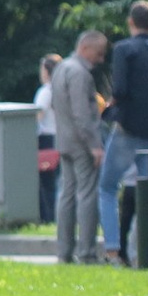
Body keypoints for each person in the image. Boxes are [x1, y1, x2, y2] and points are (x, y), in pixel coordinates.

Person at [100, 0, 148, 264]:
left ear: (130, 22)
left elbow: (119, 90)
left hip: (128, 130)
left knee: (107, 187)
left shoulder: (124, 50)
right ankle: (144, 249)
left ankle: (113, 250)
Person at [50, 29, 108, 266]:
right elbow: (82, 115)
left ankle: (64, 251)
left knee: (66, 195)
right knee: (87, 195)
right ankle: (86, 253)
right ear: (85, 48)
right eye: (99, 53)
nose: (101, 59)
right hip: (82, 143)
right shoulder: (80, 74)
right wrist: (95, 145)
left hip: (64, 140)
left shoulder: (61, 68)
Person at [33, 53, 60, 224]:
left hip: (45, 139)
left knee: (46, 183)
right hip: (61, 138)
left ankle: (48, 217)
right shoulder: (63, 89)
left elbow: (38, 116)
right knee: (58, 181)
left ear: (46, 71)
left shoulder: (45, 92)